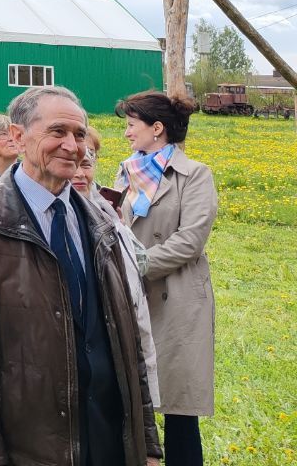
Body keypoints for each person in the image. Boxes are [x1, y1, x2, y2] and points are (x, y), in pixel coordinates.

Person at [0, 85, 160, 466]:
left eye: (78, 135)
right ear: (18, 137)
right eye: (57, 132)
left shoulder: (100, 221)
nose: (72, 146)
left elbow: (128, 343)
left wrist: (147, 444)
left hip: (106, 440)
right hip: (30, 446)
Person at [116, 90, 216, 466]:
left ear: (157, 128)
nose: (126, 134)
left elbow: (190, 241)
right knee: (132, 398)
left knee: (178, 408)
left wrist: (134, 263)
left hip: (177, 299)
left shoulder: (196, 175)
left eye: (131, 125)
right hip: (131, 294)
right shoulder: (129, 171)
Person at [72, 132, 160, 408]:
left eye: (86, 164)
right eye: (72, 164)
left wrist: (118, 229)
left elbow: (140, 267)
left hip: (111, 347)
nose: (79, 173)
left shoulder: (108, 214)